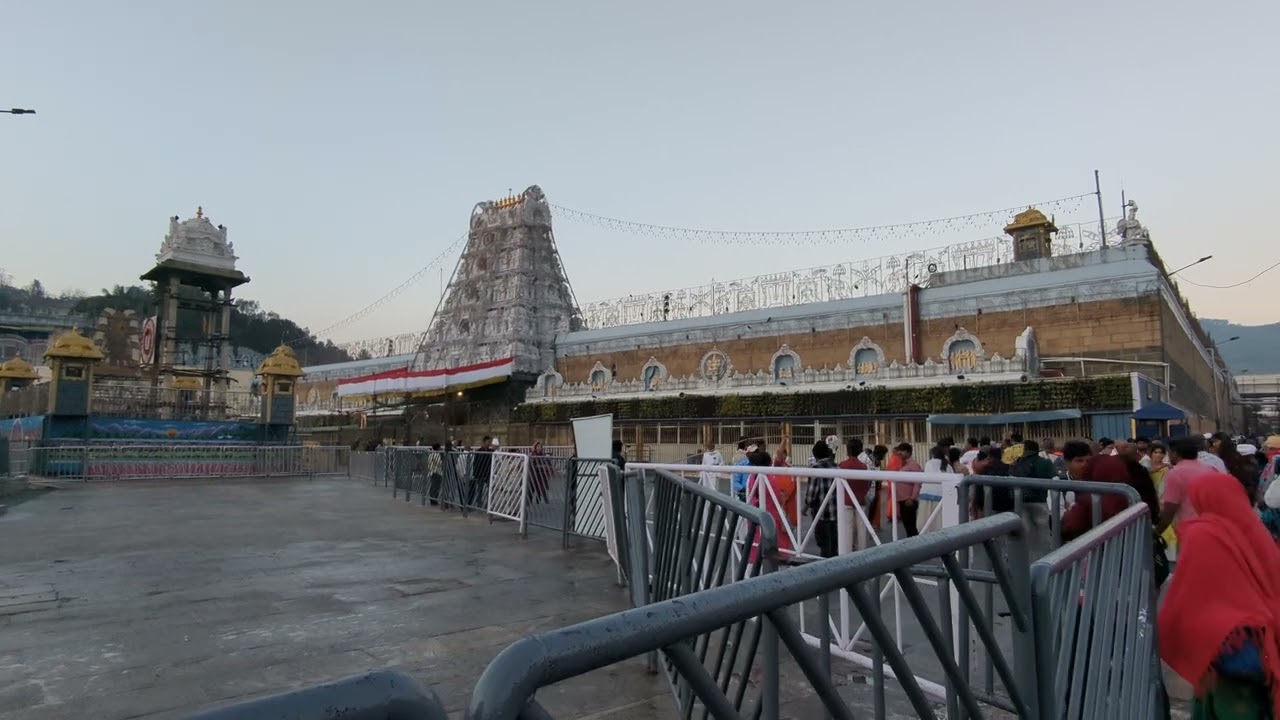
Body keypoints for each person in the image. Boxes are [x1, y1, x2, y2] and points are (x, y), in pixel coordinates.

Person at [1159, 472, 1280, 718]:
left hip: (1227, 644)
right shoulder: (1255, 527)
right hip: (1265, 639)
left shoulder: (1203, 533)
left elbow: (1190, 593)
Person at [1060, 455, 1160, 542]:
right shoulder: (1137, 495)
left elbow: (1070, 527)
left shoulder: (1091, 500)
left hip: (1101, 558)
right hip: (1138, 556)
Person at [804, 440, 840, 557]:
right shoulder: (836, 467)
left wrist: (805, 507)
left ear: (815, 455)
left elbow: (811, 493)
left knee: (824, 543)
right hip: (835, 511)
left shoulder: (816, 468)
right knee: (834, 542)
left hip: (821, 512)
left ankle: (825, 570)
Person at [1010, 440, 1056, 530]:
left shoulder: (1015, 463)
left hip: (1018, 502)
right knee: (1042, 533)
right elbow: (1055, 480)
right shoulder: (1045, 462)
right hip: (1040, 501)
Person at [839, 439, 872, 549]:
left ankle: (847, 550)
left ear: (847, 450)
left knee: (847, 528)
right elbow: (868, 483)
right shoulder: (863, 466)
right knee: (862, 527)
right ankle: (862, 550)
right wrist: (863, 492)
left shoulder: (842, 465)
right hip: (860, 498)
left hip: (846, 499)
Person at [893, 442, 923, 537]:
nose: (899, 453)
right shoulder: (904, 465)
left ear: (908, 452)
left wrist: (912, 498)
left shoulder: (913, 465)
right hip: (903, 500)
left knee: (911, 527)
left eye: (902, 451)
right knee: (908, 527)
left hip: (908, 501)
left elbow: (917, 482)